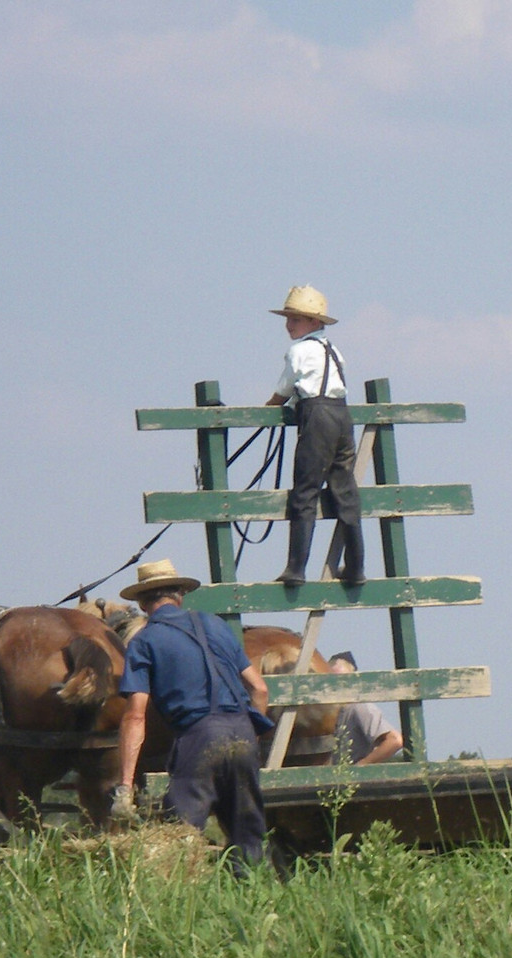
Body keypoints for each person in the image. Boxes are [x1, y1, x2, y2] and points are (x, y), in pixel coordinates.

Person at [110, 558, 278, 876]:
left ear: (144, 603)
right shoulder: (215, 625)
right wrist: (248, 741)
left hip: (199, 736)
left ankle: (180, 911)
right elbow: (260, 690)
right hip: (242, 729)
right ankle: (257, 901)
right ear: (180, 596)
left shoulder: (144, 641)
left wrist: (125, 786)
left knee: (179, 836)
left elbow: (135, 717)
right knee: (248, 836)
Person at [263, 284, 365, 587]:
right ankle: (356, 566)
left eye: (295, 319)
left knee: (305, 491)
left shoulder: (299, 350)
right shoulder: (333, 351)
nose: (288, 325)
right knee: (345, 490)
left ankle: (296, 568)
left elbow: (283, 392)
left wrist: (266, 411)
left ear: (314, 322)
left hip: (317, 416)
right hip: (341, 415)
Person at [325, 652, 406, 765]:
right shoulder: (329, 712)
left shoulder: (359, 706)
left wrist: (361, 766)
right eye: (331, 681)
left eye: (342, 680)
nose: (337, 686)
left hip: (354, 780)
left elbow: (395, 741)